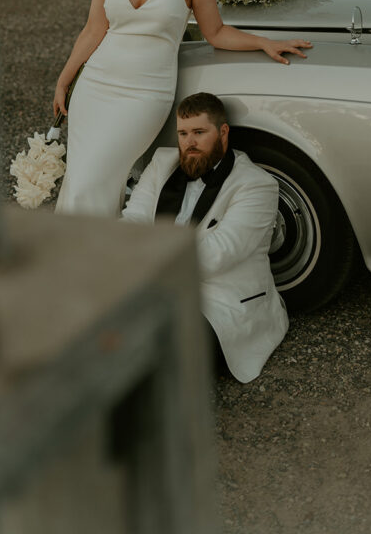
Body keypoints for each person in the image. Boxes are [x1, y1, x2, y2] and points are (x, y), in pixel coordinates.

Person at [53, 0, 311, 217]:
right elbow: (93, 29)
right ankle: (86, 261)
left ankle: (91, 258)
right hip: (96, 86)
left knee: (100, 175)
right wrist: (65, 79)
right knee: (81, 178)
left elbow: (215, 32)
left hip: (143, 94)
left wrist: (264, 43)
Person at [122, 92, 288, 382]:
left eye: (199, 132)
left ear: (223, 132)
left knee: (160, 351)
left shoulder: (257, 185)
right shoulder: (163, 162)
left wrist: (145, 257)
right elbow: (133, 222)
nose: (190, 143)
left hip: (218, 299)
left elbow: (218, 253)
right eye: (183, 133)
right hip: (155, 280)